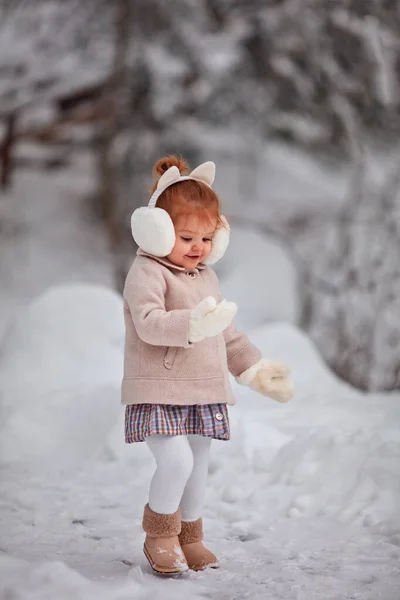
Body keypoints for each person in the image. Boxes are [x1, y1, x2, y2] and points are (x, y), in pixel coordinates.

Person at [122, 155, 293, 574]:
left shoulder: (206, 278)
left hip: (202, 388)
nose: (198, 248)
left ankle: (189, 535)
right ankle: (159, 533)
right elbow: (147, 323)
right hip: (159, 388)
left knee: (198, 464)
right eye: (185, 238)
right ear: (157, 231)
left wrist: (255, 370)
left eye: (205, 238)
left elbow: (226, 334)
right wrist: (191, 324)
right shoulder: (146, 272)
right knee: (175, 461)